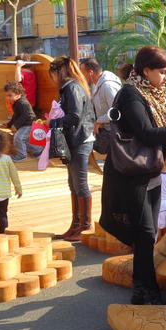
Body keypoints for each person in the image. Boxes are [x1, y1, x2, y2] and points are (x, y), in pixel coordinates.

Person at [100, 45, 166, 305]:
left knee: (147, 234)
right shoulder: (131, 95)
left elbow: (165, 135)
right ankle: (145, 290)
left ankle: (142, 287)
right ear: (146, 71)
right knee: (145, 233)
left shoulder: (155, 94)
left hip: (151, 169)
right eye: (163, 72)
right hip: (131, 172)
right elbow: (146, 134)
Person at [48, 56, 96, 241]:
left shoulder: (71, 88)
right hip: (77, 140)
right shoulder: (74, 87)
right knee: (74, 183)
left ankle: (84, 226)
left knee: (80, 183)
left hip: (80, 140)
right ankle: (76, 225)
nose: (52, 79)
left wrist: (53, 122)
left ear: (59, 72)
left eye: (52, 74)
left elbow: (74, 116)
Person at [79, 57, 122, 154]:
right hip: (103, 130)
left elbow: (117, 111)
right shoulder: (95, 84)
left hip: (112, 132)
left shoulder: (108, 86)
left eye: (82, 73)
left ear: (90, 72)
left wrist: (99, 121)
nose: (81, 76)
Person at [3, 81, 40, 162]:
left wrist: (16, 125)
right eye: (7, 95)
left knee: (18, 138)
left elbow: (25, 115)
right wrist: (9, 124)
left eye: (10, 95)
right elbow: (16, 116)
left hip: (29, 124)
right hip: (25, 124)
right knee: (25, 140)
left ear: (18, 94)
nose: (8, 98)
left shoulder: (22, 103)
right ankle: (39, 151)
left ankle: (21, 155)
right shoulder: (16, 103)